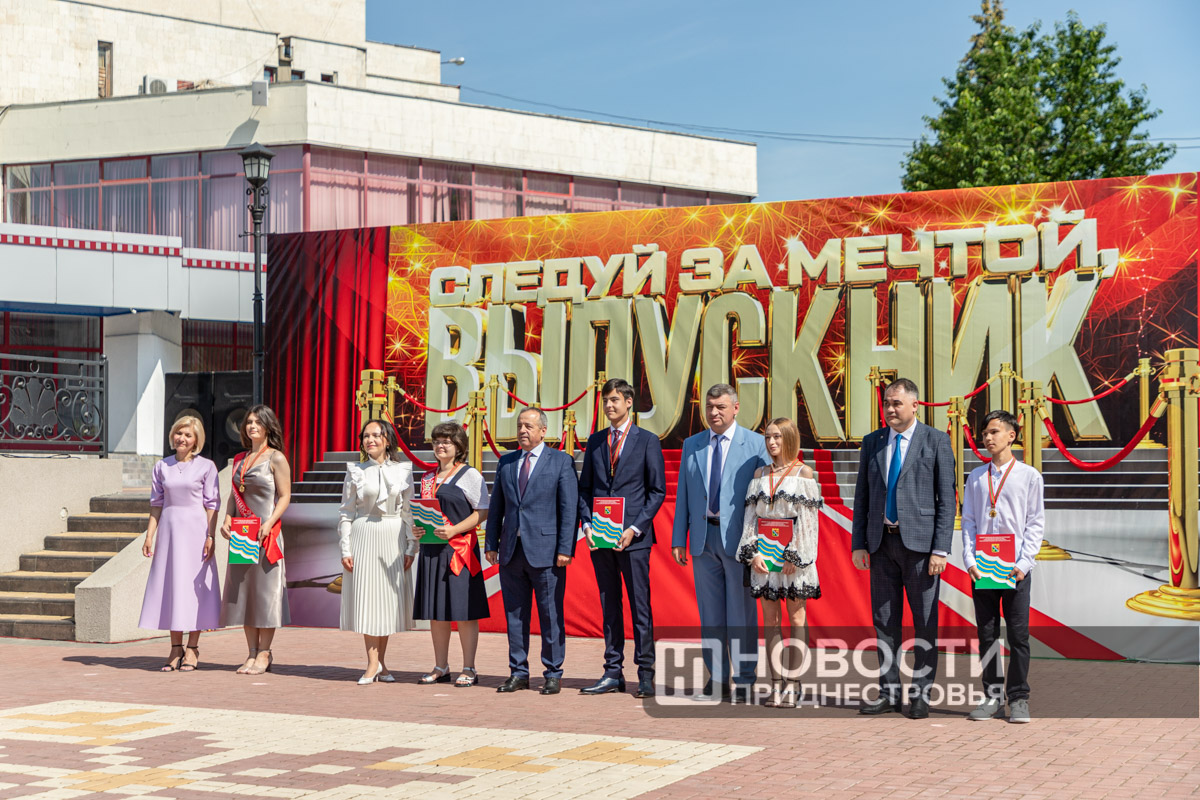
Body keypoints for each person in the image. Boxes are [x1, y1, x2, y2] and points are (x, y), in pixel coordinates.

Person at [851, 378, 956, 719]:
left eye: (897, 403)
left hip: (921, 549)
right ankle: (889, 693)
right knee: (884, 622)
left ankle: (921, 694)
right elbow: (863, 496)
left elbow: (947, 500)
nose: (890, 409)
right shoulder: (873, 442)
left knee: (924, 622)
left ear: (915, 405)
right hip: (881, 544)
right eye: (886, 403)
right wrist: (859, 543)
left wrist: (940, 549)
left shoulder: (936, 441)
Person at [671, 384, 769, 702]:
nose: (714, 413)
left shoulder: (755, 444)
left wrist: (762, 544)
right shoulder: (692, 444)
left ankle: (744, 679)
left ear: (736, 408)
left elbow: (765, 497)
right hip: (703, 539)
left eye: (721, 407)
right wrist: (679, 538)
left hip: (740, 541)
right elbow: (684, 493)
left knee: (741, 615)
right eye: (709, 407)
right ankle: (717, 678)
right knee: (710, 615)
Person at [577, 378, 666, 698]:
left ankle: (646, 673)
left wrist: (634, 528)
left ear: (629, 402)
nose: (609, 405)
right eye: (605, 401)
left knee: (640, 607)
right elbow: (585, 489)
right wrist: (587, 524)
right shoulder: (596, 440)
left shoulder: (647, 440)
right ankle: (612, 671)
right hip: (601, 537)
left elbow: (657, 491)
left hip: (633, 539)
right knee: (609, 604)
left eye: (615, 400)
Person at [485, 406, 578, 695]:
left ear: (543, 431)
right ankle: (518, 672)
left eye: (529, 426)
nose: (523, 431)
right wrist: (491, 544)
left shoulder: (560, 461)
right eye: (519, 426)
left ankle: (553, 672)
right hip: (511, 551)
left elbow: (569, 508)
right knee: (515, 615)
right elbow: (497, 506)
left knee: (550, 615)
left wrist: (565, 548)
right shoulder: (507, 462)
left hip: (547, 552)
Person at [962, 410, 1044, 724]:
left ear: (1012, 435)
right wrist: (970, 560)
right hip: (983, 567)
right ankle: (993, 697)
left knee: (1019, 636)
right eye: (984, 433)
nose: (988, 438)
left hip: (1016, 569)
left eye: (994, 432)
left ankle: (1019, 698)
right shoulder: (976, 477)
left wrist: (1024, 563)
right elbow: (969, 522)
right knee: (987, 635)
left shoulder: (1029, 476)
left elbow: (1035, 523)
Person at [736, 417, 821, 707]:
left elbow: (809, 523)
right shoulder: (759, 474)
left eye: (777, 437)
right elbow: (751, 519)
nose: (771, 442)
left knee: (797, 618)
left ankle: (794, 684)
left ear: (790, 438)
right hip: (765, 558)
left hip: (793, 561)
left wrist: (795, 556)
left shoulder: (804, 473)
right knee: (770, 621)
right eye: (768, 437)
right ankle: (775, 684)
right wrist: (753, 553)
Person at [138, 415, 222, 671]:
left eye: (188, 435)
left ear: (196, 440)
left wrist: (210, 536)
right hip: (169, 531)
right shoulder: (161, 466)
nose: (182, 438)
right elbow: (156, 504)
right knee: (172, 586)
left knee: (195, 590)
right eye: (179, 433)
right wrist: (149, 535)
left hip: (196, 531)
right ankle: (175, 648)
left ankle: (192, 648)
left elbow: (212, 504)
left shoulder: (207, 466)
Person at [337, 419, 416, 685]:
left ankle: (381, 663)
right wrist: (345, 548)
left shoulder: (404, 470)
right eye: (365, 436)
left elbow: (409, 511)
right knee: (369, 601)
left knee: (386, 603)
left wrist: (411, 546)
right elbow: (346, 512)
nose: (370, 440)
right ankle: (372, 663)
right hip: (364, 536)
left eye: (375, 435)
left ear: (387, 439)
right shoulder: (356, 471)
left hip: (393, 538)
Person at [413, 421, 489, 688]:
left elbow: (482, 511)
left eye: (446, 441)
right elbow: (424, 511)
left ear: (459, 446)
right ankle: (440, 666)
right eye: (436, 441)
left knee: (464, 611)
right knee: (437, 612)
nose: (440, 446)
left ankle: (469, 667)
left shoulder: (470, 475)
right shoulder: (427, 478)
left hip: (460, 551)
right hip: (432, 551)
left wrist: (455, 529)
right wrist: (418, 529)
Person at [220, 404, 292, 676]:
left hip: (266, 533)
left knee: (265, 593)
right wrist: (227, 518)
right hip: (243, 534)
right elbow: (233, 495)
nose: (252, 426)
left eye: (257, 422)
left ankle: (264, 652)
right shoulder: (240, 459)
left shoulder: (276, 458)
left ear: (268, 427)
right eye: (249, 422)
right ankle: (251, 652)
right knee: (246, 594)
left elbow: (285, 496)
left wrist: (269, 522)